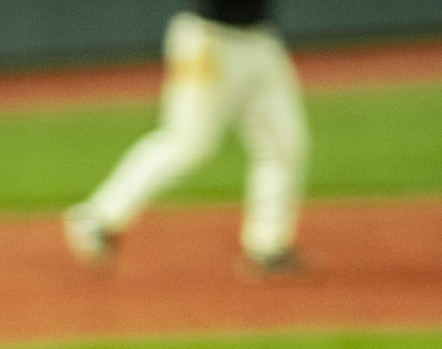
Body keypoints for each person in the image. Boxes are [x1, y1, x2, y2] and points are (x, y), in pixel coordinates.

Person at [64, 0, 309, 276]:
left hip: (261, 40)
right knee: (186, 142)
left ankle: (268, 246)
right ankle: (98, 217)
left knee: (284, 147)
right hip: (209, 40)